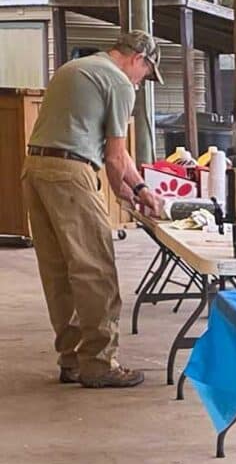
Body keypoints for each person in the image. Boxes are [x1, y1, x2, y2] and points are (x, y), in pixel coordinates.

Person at [23, 29, 168, 389]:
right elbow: (114, 156)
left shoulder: (77, 68)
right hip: (71, 175)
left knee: (59, 271)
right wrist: (125, 197)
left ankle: (72, 358)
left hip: (36, 168)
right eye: (146, 74)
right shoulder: (118, 81)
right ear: (138, 59)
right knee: (95, 269)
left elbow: (117, 152)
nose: (141, 83)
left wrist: (140, 187)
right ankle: (99, 362)